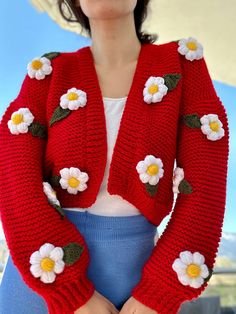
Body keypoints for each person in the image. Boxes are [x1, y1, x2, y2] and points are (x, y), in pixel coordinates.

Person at [0, 1, 229, 314]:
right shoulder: (48, 73)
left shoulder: (182, 65)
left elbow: (206, 186)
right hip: (40, 277)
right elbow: (14, 178)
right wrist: (69, 292)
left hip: (143, 291)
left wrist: (160, 292)